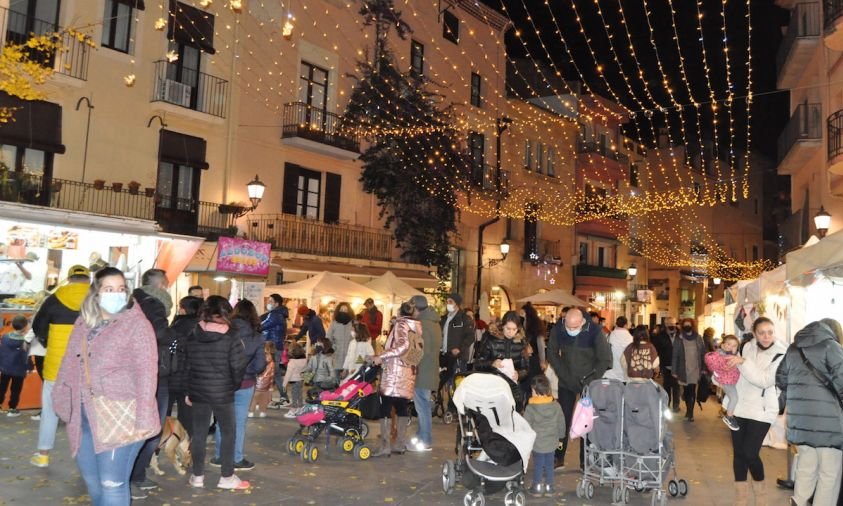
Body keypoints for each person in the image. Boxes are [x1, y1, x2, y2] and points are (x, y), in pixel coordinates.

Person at [52, 267, 160, 505]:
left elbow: (147, 374)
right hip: (84, 416)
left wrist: (143, 418)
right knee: (93, 483)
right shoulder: (84, 322)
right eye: (109, 289)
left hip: (123, 417)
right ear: (96, 294)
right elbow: (69, 362)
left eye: (121, 289)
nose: (116, 294)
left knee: (112, 486)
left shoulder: (137, 325)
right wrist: (60, 397)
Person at [185, 296, 249, 491]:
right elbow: (239, 366)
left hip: (198, 391)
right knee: (229, 433)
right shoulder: (230, 336)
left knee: (199, 434)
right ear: (225, 312)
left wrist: (190, 390)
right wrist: (232, 385)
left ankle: (197, 476)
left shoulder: (193, 334)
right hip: (223, 392)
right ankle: (227, 477)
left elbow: (187, 365)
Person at [776, 320, 843, 506]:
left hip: (799, 423)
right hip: (829, 425)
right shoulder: (831, 346)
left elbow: (781, 379)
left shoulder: (793, 349)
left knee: (806, 468)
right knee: (828, 474)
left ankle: (798, 501)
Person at [30, 264, 90, 468]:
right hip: (86, 365)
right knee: (85, 412)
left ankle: (43, 455)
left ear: (70, 278)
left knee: (50, 410)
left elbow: (38, 326)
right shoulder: (96, 299)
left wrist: (48, 342)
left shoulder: (55, 298)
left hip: (56, 364)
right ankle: (85, 457)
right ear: (88, 280)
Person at [728, 316, 786, 506]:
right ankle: (740, 499)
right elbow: (740, 376)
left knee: (750, 453)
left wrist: (743, 362)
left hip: (763, 410)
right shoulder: (747, 347)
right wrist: (722, 374)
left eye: (770, 332)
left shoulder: (781, 353)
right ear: (754, 333)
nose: (766, 336)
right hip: (740, 407)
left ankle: (761, 497)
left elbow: (764, 380)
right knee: (739, 454)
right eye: (761, 333)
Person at [546, 307, 611, 470]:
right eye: (568, 326)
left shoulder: (595, 331)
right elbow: (552, 353)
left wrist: (592, 380)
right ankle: (558, 456)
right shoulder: (559, 328)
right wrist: (563, 374)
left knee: (586, 423)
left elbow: (605, 359)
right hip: (566, 382)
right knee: (562, 421)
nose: (570, 330)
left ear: (582, 322)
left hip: (588, 383)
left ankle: (585, 459)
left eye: (574, 328)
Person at [130, 268, 176, 497]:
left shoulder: (131, 300)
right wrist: (173, 337)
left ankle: (132, 474)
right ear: (161, 285)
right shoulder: (155, 304)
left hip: (133, 372)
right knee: (151, 428)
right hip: (154, 372)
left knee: (136, 426)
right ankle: (134, 476)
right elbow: (159, 334)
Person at [210, 299, 266, 472]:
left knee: (222, 421)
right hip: (245, 383)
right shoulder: (257, 337)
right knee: (239, 422)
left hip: (224, 383)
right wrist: (251, 372)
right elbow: (260, 364)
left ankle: (220, 456)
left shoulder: (224, 331)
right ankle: (236, 458)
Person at [370, 300, 419, 457]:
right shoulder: (416, 325)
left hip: (395, 371)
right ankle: (399, 444)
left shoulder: (401, 324)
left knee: (386, 406)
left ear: (399, 312)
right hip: (408, 371)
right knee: (401, 405)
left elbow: (402, 346)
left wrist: (381, 356)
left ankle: (385, 446)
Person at [473, 310, 528, 410]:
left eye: (514, 329)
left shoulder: (521, 342)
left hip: (512, 389)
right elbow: (477, 363)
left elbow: (525, 368)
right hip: (492, 388)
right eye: (508, 328)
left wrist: (519, 374)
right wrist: (492, 363)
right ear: (502, 326)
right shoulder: (490, 338)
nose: (511, 332)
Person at [407, 295, 441, 452]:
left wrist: (408, 362)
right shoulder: (434, 323)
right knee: (423, 405)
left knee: (423, 407)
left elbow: (420, 351)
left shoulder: (423, 325)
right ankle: (421, 436)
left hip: (422, 371)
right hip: (429, 369)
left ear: (416, 307)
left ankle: (425, 440)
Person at [524, 375, 566, 498]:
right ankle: (550, 487)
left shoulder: (530, 408)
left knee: (538, 464)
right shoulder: (556, 405)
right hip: (552, 442)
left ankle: (536, 487)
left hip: (537, 443)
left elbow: (527, 426)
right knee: (549, 464)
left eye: (532, 390)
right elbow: (561, 422)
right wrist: (561, 437)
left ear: (536, 392)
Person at [167, 295, 203, 438]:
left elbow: (170, 350)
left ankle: (157, 451)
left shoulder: (176, 327)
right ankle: (186, 448)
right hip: (191, 379)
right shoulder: (201, 327)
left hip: (171, 376)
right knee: (187, 418)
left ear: (184, 309)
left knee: (164, 416)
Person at [671, 318, 706, 422]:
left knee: (692, 390)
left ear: (692, 326)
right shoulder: (679, 338)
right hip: (683, 369)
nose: (687, 327)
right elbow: (675, 355)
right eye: (685, 325)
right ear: (682, 327)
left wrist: (704, 368)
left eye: (689, 325)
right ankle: (688, 410)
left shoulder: (698, 338)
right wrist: (674, 370)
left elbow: (703, 354)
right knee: (686, 392)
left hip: (695, 368)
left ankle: (690, 413)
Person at [705, 334, 742, 431]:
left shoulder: (735, 356)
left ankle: (727, 412)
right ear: (722, 345)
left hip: (732, 381)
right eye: (729, 344)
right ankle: (729, 417)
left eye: (734, 346)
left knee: (733, 398)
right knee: (734, 398)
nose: (731, 347)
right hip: (727, 382)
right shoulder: (719, 356)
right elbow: (713, 366)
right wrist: (718, 379)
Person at [261, 294, 288, 409]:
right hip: (275, 346)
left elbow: (261, 326)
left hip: (272, 347)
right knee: (275, 373)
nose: (268, 302)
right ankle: (283, 397)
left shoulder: (275, 314)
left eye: (271, 301)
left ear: (277, 303)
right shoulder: (279, 314)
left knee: (271, 373)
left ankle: (273, 398)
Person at [0, 315, 30, 417]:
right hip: (19, 370)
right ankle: (12, 408)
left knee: (2, 387)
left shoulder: (4, 337)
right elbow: (26, 356)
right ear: (25, 327)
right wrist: (29, 367)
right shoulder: (25, 341)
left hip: (5, 367)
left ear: (12, 325)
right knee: (16, 389)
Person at [440, 293, 475, 371]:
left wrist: (459, 349)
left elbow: (470, 336)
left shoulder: (464, 318)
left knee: (456, 380)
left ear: (457, 303)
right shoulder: (444, 318)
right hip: (445, 355)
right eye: (447, 302)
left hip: (459, 357)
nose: (448, 304)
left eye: (450, 302)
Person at [653, 317, 681, 412]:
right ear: (665, 325)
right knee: (667, 386)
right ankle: (667, 404)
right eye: (668, 323)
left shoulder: (680, 335)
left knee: (677, 386)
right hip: (666, 364)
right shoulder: (660, 336)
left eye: (672, 323)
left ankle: (676, 406)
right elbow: (656, 350)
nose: (671, 325)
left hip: (678, 365)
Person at [522, 303, 546, 401]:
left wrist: (542, 361)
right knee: (525, 385)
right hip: (524, 360)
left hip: (533, 361)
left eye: (522, 313)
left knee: (531, 385)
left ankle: (530, 404)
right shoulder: (521, 327)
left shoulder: (535, 329)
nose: (521, 315)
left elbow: (541, 346)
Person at [327, 302, 354, 384]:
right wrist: (332, 348)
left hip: (349, 356)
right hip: (336, 355)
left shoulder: (352, 323)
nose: (343, 311)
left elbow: (356, 339)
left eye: (345, 310)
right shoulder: (334, 323)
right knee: (335, 380)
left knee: (347, 382)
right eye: (341, 309)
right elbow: (328, 338)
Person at [249, 341, 275, 418]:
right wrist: (271, 386)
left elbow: (256, 370)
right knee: (264, 399)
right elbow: (272, 374)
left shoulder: (259, 358)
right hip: (266, 384)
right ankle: (262, 412)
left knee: (253, 398)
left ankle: (251, 412)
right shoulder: (272, 362)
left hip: (257, 383)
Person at [603, 316, 634, 382]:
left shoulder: (610, 336)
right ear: (626, 325)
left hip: (611, 373)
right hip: (626, 373)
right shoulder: (631, 338)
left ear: (616, 324)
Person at [282, 343, 307, 418]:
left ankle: (293, 410)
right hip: (301, 380)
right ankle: (300, 408)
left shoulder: (292, 362)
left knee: (294, 396)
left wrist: (284, 384)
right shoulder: (304, 360)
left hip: (294, 381)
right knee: (299, 395)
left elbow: (288, 374)